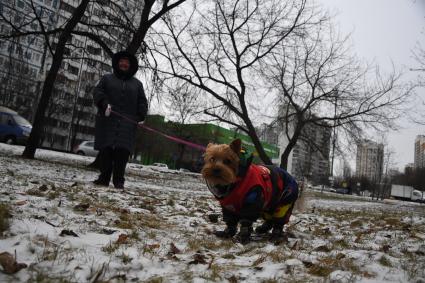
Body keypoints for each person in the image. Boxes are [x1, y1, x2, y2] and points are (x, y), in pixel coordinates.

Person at [92, 51, 148, 189]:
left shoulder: (137, 84)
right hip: (107, 121)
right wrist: (104, 103)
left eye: (127, 62)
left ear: (131, 65)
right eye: (122, 61)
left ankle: (119, 180)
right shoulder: (107, 79)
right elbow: (98, 92)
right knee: (106, 151)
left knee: (122, 153)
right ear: (117, 63)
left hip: (127, 124)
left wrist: (140, 114)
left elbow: (142, 101)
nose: (124, 64)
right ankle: (103, 178)